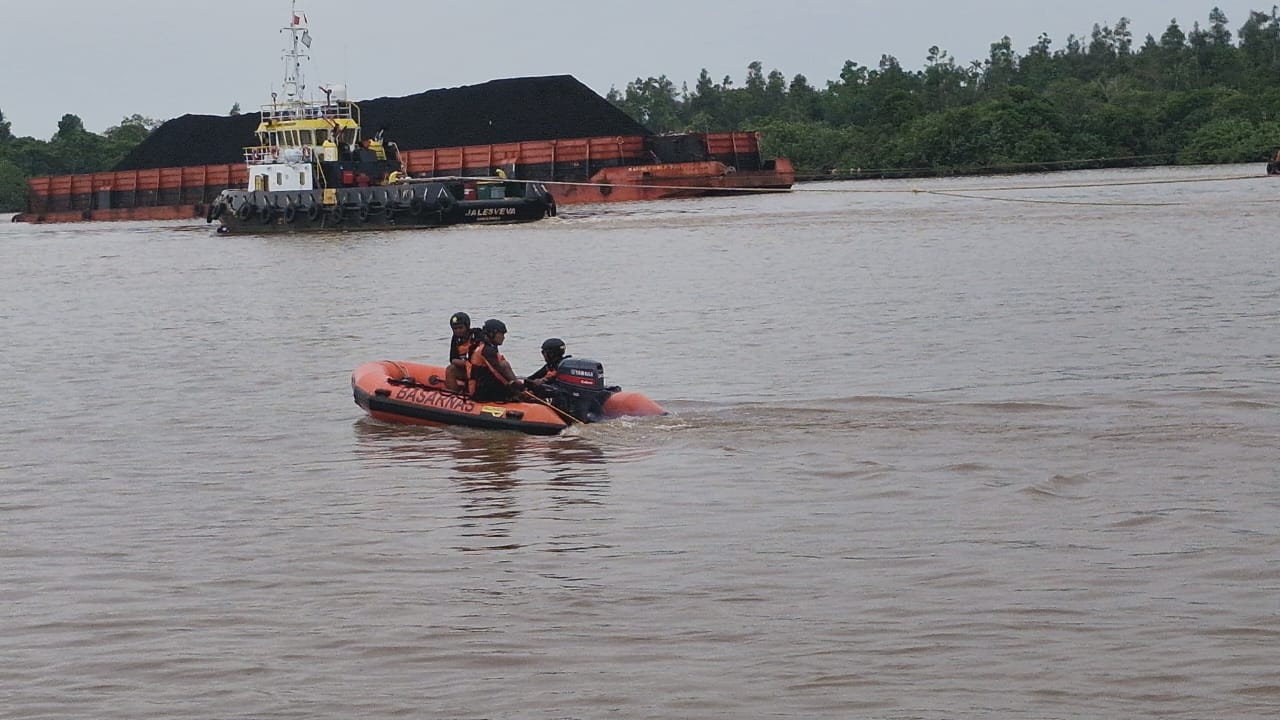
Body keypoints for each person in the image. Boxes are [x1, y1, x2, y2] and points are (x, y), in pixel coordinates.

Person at [466, 319, 524, 401]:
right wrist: (512, 385)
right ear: (491, 333)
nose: (503, 337)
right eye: (501, 334)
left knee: (504, 364)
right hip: (480, 391)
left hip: (483, 383)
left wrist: (514, 381)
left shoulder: (487, 346)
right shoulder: (487, 350)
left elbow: (501, 367)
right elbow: (496, 372)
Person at [444, 311, 476, 392]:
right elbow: (452, 359)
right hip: (465, 369)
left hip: (478, 370)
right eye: (455, 328)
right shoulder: (455, 339)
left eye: (461, 328)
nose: (458, 331)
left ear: (467, 326)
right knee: (450, 369)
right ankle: (454, 395)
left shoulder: (477, 335)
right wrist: (466, 363)